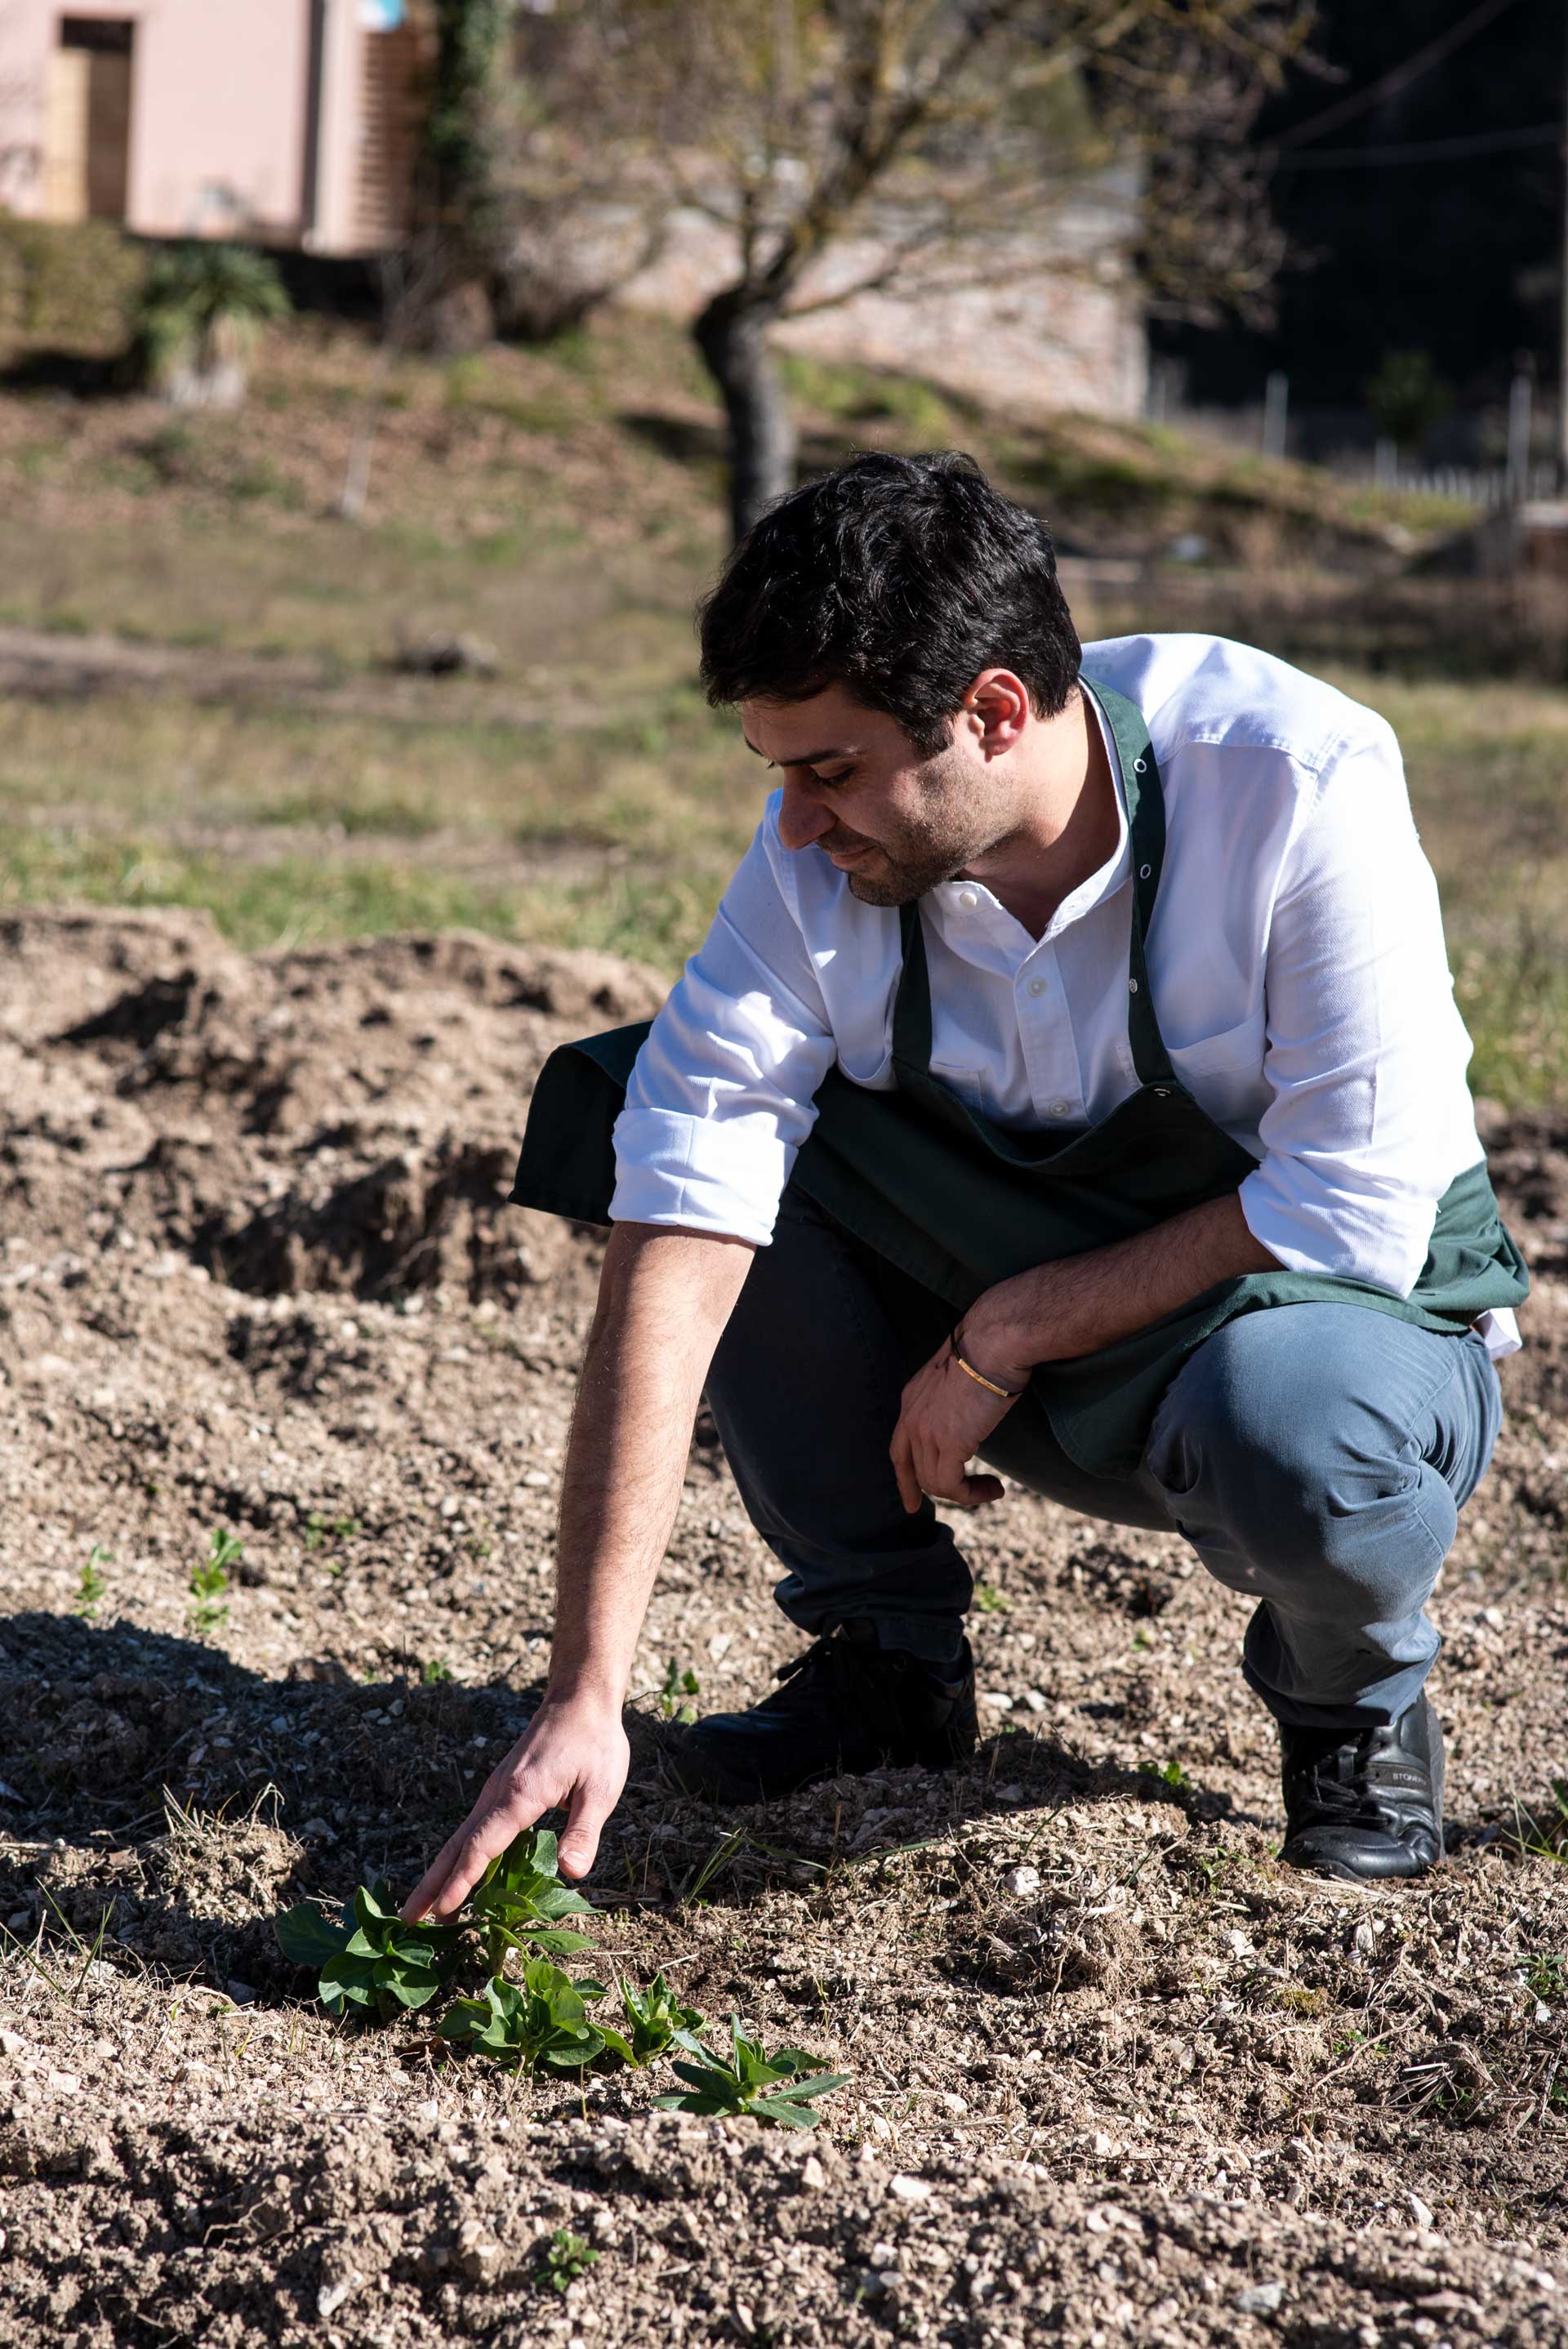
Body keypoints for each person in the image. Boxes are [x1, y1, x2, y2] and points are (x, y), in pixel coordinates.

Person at [403, 451, 1526, 1928]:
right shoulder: (831, 846)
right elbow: (690, 1173)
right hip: (1003, 1328)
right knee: (636, 1106)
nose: (797, 824)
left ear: (994, 712)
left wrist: (1012, 1327)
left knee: (1295, 1430)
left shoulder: (1294, 780)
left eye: (831, 769)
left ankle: (1351, 1703)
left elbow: (1351, 1206)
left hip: (1319, 1328)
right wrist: (586, 1689)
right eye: (779, 772)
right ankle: (889, 1665)